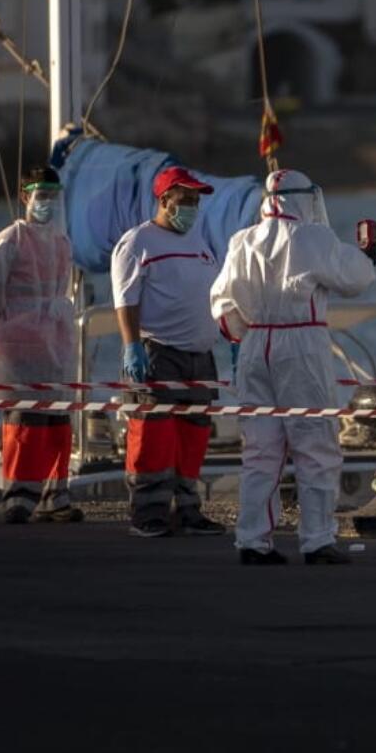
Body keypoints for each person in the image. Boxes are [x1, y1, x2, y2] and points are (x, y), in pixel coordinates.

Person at [210, 169, 376, 565]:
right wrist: (368, 255)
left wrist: (243, 334)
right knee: (315, 444)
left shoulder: (242, 240)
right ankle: (317, 539)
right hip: (300, 344)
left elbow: (220, 301)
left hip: (255, 346)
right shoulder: (310, 237)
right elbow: (353, 279)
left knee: (260, 450)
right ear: (303, 198)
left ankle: (252, 540)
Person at [111, 166, 226, 539]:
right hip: (158, 350)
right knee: (153, 435)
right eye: (186, 200)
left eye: (196, 200)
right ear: (164, 200)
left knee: (193, 434)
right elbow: (125, 299)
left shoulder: (197, 241)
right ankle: (149, 512)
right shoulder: (137, 242)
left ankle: (188, 509)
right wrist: (131, 345)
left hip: (199, 354)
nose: (192, 207)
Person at [0, 167, 80, 524]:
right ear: (25, 197)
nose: (47, 202)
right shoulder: (11, 239)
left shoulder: (61, 242)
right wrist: (12, 321)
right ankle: (19, 497)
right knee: (24, 418)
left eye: (53, 194)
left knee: (57, 420)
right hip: (20, 342)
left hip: (56, 342)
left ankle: (55, 495)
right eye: (41, 194)